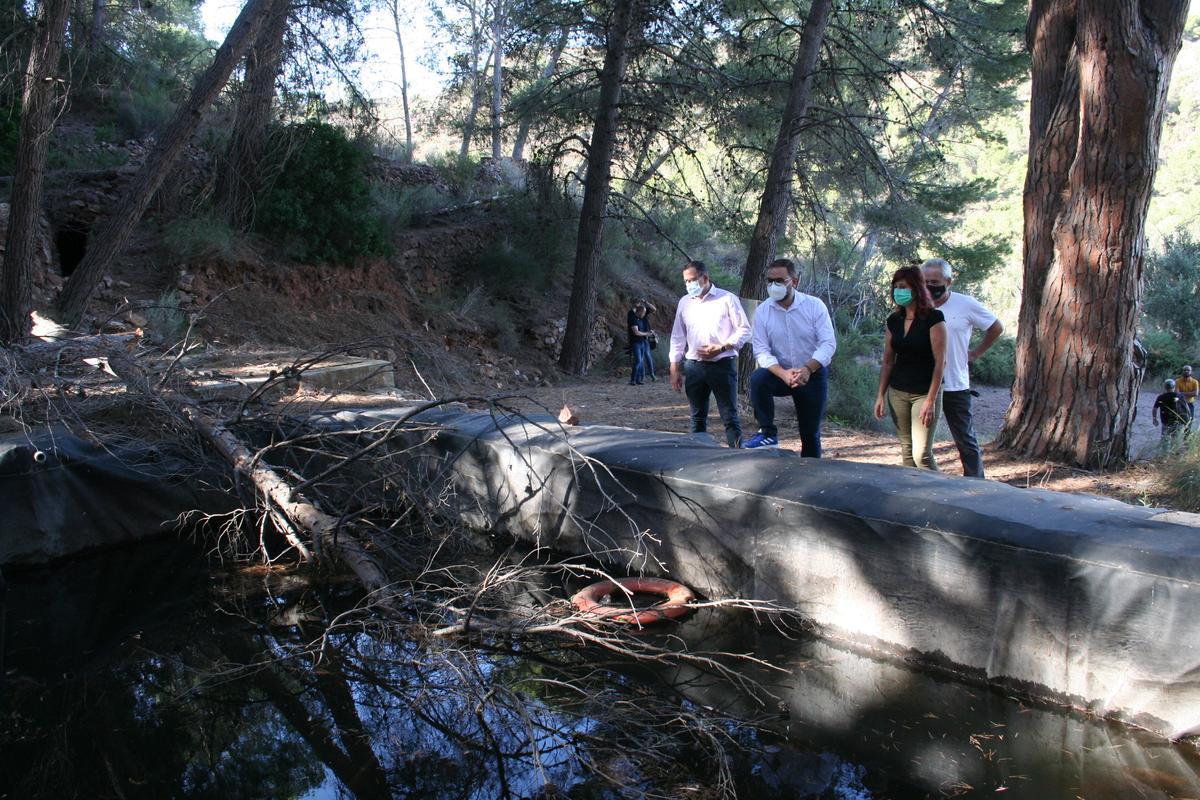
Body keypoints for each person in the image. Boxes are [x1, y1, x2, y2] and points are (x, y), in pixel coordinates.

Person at [743, 258, 837, 456]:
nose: (773, 286)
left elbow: (828, 344)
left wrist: (808, 369)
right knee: (758, 379)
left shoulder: (814, 306)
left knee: (810, 434)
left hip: (812, 374)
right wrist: (783, 373)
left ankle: (810, 474)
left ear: (794, 282)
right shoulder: (763, 312)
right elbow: (761, 350)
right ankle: (767, 432)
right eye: (769, 281)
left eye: (779, 281)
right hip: (781, 373)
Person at [921, 258, 1003, 478]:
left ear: (948, 281)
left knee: (965, 439)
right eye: (925, 281)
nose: (930, 286)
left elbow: (996, 327)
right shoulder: (917, 304)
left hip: (954, 383)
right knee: (919, 444)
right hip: (922, 384)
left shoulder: (966, 304)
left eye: (935, 281)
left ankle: (977, 484)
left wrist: (975, 353)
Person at [669, 260, 752, 447]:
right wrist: (674, 367)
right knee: (697, 417)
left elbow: (745, 329)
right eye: (685, 281)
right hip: (694, 367)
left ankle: (738, 457)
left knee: (729, 416)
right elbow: (677, 336)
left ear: (705, 278)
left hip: (722, 364)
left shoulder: (727, 299)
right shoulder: (684, 302)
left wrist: (722, 346)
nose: (689, 285)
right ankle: (698, 458)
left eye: (692, 280)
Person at [874, 265, 947, 470]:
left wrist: (930, 401)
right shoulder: (894, 320)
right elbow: (888, 361)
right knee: (906, 452)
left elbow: (940, 362)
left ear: (916, 288)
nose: (899, 290)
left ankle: (939, 495)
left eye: (903, 286)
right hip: (897, 391)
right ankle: (913, 496)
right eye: (896, 286)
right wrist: (880, 395)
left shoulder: (934, 318)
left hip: (924, 393)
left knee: (921, 454)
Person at [1153, 378, 1190, 453]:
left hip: (1166, 422)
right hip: (1177, 421)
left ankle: (1164, 455)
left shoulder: (1161, 397)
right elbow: (1186, 408)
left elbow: (1155, 408)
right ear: (1174, 387)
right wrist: (1187, 419)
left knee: (1165, 439)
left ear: (1165, 387)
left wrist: (1154, 418)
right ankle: (1173, 455)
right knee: (1175, 440)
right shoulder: (1179, 396)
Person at [627, 301, 656, 385]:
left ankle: (638, 379)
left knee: (641, 360)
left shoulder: (641, 317)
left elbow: (654, 309)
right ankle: (633, 379)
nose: (644, 314)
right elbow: (636, 332)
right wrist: (647, 333)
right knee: (638, 361)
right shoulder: (633, 319)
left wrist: (646, 303)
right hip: (636, 343)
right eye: (643, 313)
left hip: (643, 342)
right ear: (639, 311)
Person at [1176, 365, 1198, 430]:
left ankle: (1186, 439)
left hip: (1190, 404)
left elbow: (1195, 393)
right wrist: (1190, 394)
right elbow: (1176, 394)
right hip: (1180, 404)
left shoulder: (1195, 382)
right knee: (1179, 421)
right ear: (1182, 371)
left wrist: (1182, 393)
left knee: (1189, 422)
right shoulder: (1178, 381)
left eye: (1188, 370)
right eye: (1185, 370)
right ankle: (1177, 437)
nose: (1186, 371)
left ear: (1191, 372)